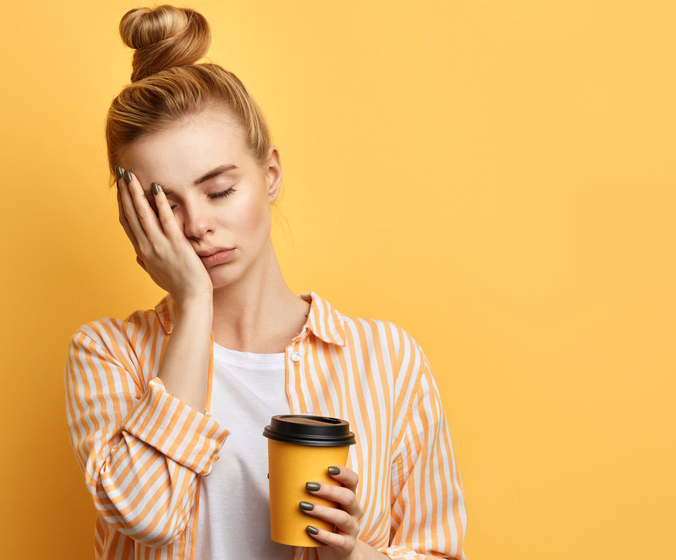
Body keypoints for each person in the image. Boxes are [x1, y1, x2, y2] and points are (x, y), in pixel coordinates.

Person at [64, 6, 466, 560]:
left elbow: (438, 550)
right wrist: (194, 302)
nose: (197, 225)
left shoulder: (389, 363)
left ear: (269, 176)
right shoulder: (109, 355)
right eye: (165, 205)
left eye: (220, 190)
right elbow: (147, 517)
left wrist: (350, 553)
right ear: (134, 218)